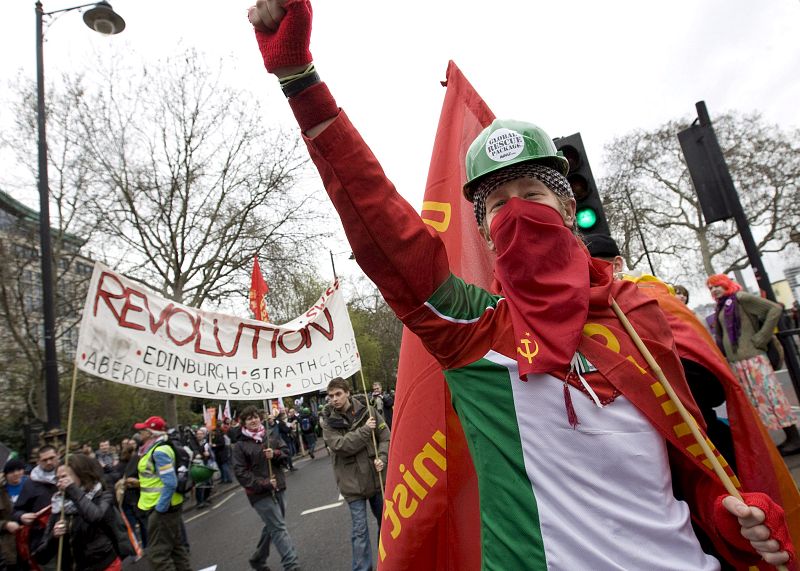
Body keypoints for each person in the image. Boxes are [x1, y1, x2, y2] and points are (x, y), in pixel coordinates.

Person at [245, 3, 794, 568]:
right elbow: (380, 222)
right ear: (481, 231)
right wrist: (300, 81)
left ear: (567, 204)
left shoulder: (641, 314)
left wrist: (734, 515)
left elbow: (689, 470)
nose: (516, 214)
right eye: (497, 206)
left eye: (532, 193)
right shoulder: (473, 331)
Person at [707, 274, 800, 455]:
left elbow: (774, 309)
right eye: (710, 288)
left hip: (753, 359)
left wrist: (761, 338)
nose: (714, 290)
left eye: (717, 285)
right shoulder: (722, 305)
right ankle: (787, 438)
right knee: (757, 402)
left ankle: (794, 437)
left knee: (771, 397)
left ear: (726, 284)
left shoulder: (740, 298)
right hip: (739, 362)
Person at [321, 378, 389, 571]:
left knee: (386, 525)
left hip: (376, 479)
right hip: (352, 485)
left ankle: (388, 563)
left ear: (347, 393)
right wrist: (366, 429)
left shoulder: (369, 409)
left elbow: (385, 437)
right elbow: (341, 446)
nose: (334, 399)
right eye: (331, 396)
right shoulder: (328, 422)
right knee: (360, 531)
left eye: (338, 394)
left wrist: (382, 457)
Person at [232, 406, 300, 571]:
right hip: (259, 494)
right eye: (249, 419)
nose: (254, 420)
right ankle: (291, 564)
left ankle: (258, 559)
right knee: (278, 526)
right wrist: (264, 484)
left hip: (279, 487)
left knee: (273, 525)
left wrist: (275, 454)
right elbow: (241, 473)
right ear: (244, 423)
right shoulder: (240, 446)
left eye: (255, 417)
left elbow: (286, 455)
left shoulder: (270, 436)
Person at [33, 454, 122, 571]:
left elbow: (95, 517)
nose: (60, 482)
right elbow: (41, 556)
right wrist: (54, 537)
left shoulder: (103, 495)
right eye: (57, 478)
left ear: (81, 475)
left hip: (103, 566)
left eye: (64, 477)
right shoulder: (58, 506)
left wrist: (72, 489)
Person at [133, 415, 192, 571]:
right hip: (168, 506)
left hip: (162, 509)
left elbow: (170, 482)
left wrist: (160, 508)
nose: (140, 434)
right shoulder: (158, 448)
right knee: (176, 548)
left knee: (158, 556)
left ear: (151, 433)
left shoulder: (159, 452)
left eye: (143, 430)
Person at [12, 445, 59, 571]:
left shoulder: (67, 475)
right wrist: (22, 516)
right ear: (38, 461)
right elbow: (16, 511)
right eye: (44, 460)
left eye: (51, 458)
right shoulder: (30, 484)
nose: (49, 462)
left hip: (70, 539)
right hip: (44, 542)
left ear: (58, 456)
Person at [1, 459, 25, 571]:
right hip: (8, 547)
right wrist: (5, 525)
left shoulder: (32, 486)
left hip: (31, 543)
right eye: (11, 471)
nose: (16, 474)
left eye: (19, 469)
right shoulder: (2, 492)